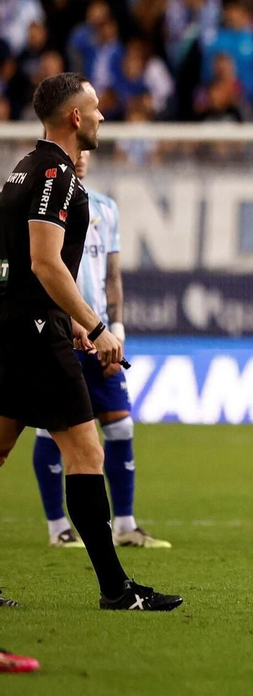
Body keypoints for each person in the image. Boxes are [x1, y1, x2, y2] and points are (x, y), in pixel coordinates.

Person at [0, 72, 181, 612]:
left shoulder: (22, 169)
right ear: (75, 117)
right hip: (33, 330)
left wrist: (75, 323)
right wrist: (96, 326)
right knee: (85, 450)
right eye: (96, 107)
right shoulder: (56, 173)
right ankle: (115, 589)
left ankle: (114, 586)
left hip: (19, 322)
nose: (103, 116)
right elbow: (44, 262)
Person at [31, 148, 169, 549]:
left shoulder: (105, 208)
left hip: (101, 333)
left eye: (87, 151)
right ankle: (58, 527)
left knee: (120, 424)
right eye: (77, 149)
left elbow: (112, 276)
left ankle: (125, 525)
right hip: (58, 330)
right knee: (52, 428)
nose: (83, 157)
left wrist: (117, 328)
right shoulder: (42, 205)